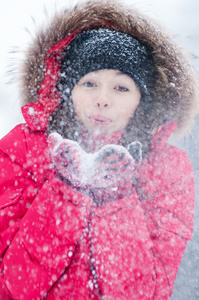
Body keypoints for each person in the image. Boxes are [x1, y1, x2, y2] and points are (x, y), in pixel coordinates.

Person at [0, 1, 198, 299]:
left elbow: (148, 293)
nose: (102, 99)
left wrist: (114, 196)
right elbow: (13, 286)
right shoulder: (22, 149)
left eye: (121, 87)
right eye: (89, 83)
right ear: (66, 88)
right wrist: (65, 191)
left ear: (141, 100)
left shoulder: (167, 169)